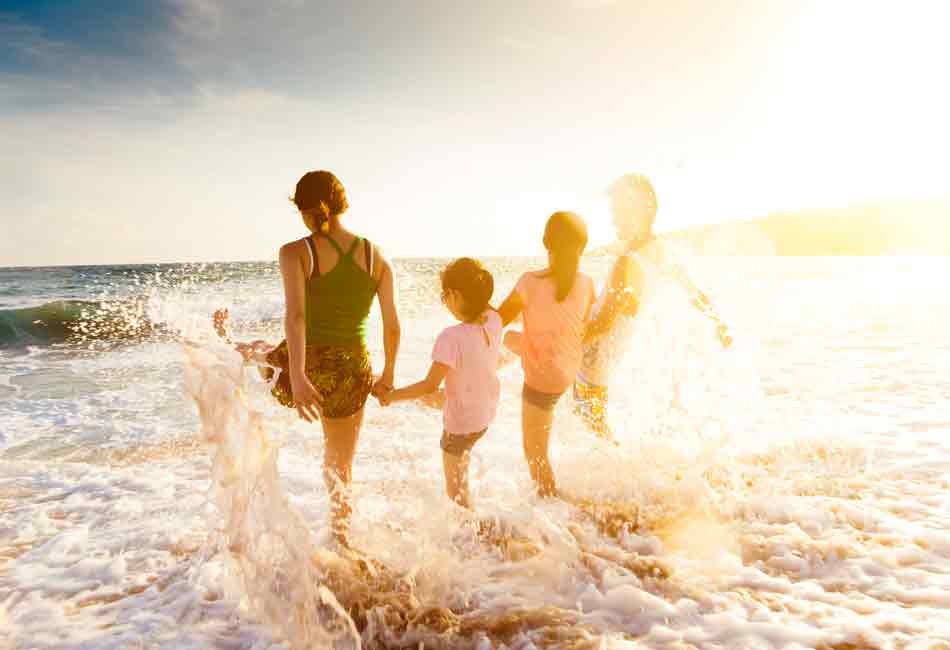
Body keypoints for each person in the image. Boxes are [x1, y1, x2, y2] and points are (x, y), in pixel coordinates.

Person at [214, 170, 400, 546]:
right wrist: (388, 374)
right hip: (354, 369)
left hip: (310, 363)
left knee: (263, 354)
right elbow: (393, 325)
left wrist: (297, 374)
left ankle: (226, 341)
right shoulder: (376, 256)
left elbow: (296, 316)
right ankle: (341, 540)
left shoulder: (297, 252)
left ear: (310, 209)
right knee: (340, 465)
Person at [575, 173, 732, 437]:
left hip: (593, 357)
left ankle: (617, 475)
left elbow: (604, 322)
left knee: (593, 429)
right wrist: (718, 322)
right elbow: (694, 293)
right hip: (611, 354)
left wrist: (565, 346)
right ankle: (618, 474)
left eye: (619, 211)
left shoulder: (628, 262)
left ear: (637, 211)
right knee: (595, 428)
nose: (613, 219)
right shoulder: (661, 252)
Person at [378, 258, 501, 510]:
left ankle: (473, 538)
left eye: (445, 297)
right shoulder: (493, 320)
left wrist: (391, 397)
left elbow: (429, 385)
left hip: (460, 426)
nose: (445, 304)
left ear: (455, 295)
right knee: (461, 461)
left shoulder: (451, 337)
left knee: (455, 495)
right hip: (484, 416)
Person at [497, 212, 597, 498]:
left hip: (543, 378)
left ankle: (552, 503)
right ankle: (521, 351)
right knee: (512, 339)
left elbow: (498, 319)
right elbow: (582, 323)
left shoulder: (529, 282)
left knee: (534, 452)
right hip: (568, 370)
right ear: (583, 246)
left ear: (545, 243)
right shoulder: (587, 284)